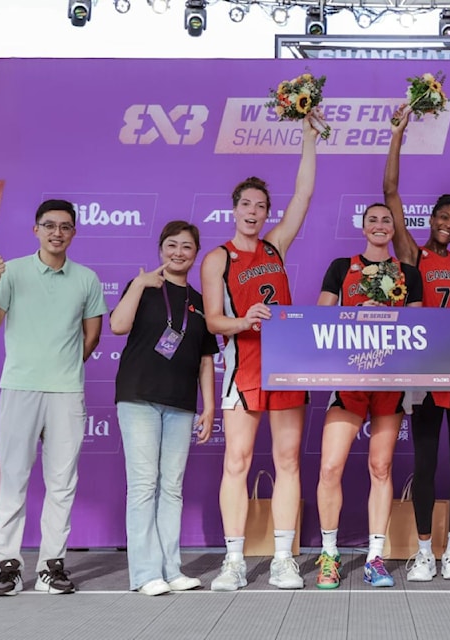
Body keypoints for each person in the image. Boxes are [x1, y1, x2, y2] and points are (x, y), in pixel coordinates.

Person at [201, 110, 321, 591]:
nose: (253, 212)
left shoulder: (275, 247)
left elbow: (305, 195)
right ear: (234, 209)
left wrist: (309, 138)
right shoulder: (218, 258)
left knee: (289, 461)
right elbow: (213, 320)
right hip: (244, 367)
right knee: (238, 461)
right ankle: (233, 561)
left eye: (260, 206)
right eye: (246, 204)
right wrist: (244, 320)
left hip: (288, 367)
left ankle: (282, 558)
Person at [0, 199, 107, 596]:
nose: (57, 232)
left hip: (66, 392)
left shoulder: (86, 279)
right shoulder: (11, 271)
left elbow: (92, 336)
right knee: (14, 479)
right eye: (49, 225)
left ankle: (52, 566)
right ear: (36, 230)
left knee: (62, 482)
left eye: (65, 226)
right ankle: (9, 566)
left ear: (73, 232)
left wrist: (64, 367)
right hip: (19, 388)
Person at [385, 104, 450, 581]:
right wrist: (398, 134)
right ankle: (424, 550)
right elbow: (390, 191)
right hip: (423, 367)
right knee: (424, 461)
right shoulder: (413, 252)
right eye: (443, 215)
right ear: (432, 218)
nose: (448, 222)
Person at [313, 203, 424, 589]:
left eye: (386, 221)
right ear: (363, 227)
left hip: (391, 382)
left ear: (394, 229)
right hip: (349, 378)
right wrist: (358, 312)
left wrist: (386, 317)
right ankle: (329, 554)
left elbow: (419, 325)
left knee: (381, 468)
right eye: (373, 220)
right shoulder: (341, 267)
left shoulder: (409, 273)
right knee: (330, 467)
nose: (379, 225)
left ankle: (375, 558)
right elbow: (320, 318)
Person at [110, 221, 219, 596]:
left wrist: (209, 406)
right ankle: (144, 574)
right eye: (171, 245)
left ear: (195, 253)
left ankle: (171, 569)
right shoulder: (141, 287)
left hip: (181, 403)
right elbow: (118, 326)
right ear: (160, 249)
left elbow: (207, 358)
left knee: (171, 488)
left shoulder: (200, 302)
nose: (178, 252)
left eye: (186, 247)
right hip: (138, 396)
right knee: (144, 486)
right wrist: (139, 285)